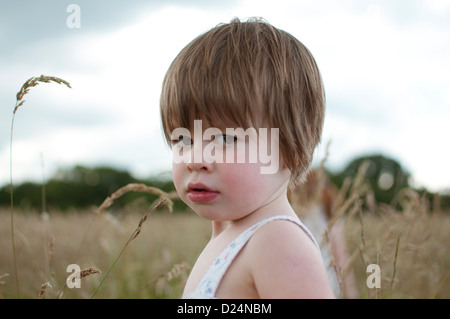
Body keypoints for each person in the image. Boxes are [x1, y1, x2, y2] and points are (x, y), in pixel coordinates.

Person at [160, 17, 335, 298]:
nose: (195, 159)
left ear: (291, 149)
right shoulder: (227, 233)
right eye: (183, 138)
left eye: (226, 138)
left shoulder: (277, 241)